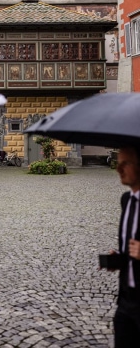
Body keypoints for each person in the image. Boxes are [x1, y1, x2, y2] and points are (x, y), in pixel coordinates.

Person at [108, 146, 140, 347]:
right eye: (118, 164)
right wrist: (119, 257)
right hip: (126, 300)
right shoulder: (126, 200)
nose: (119, 170)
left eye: (125, 164)